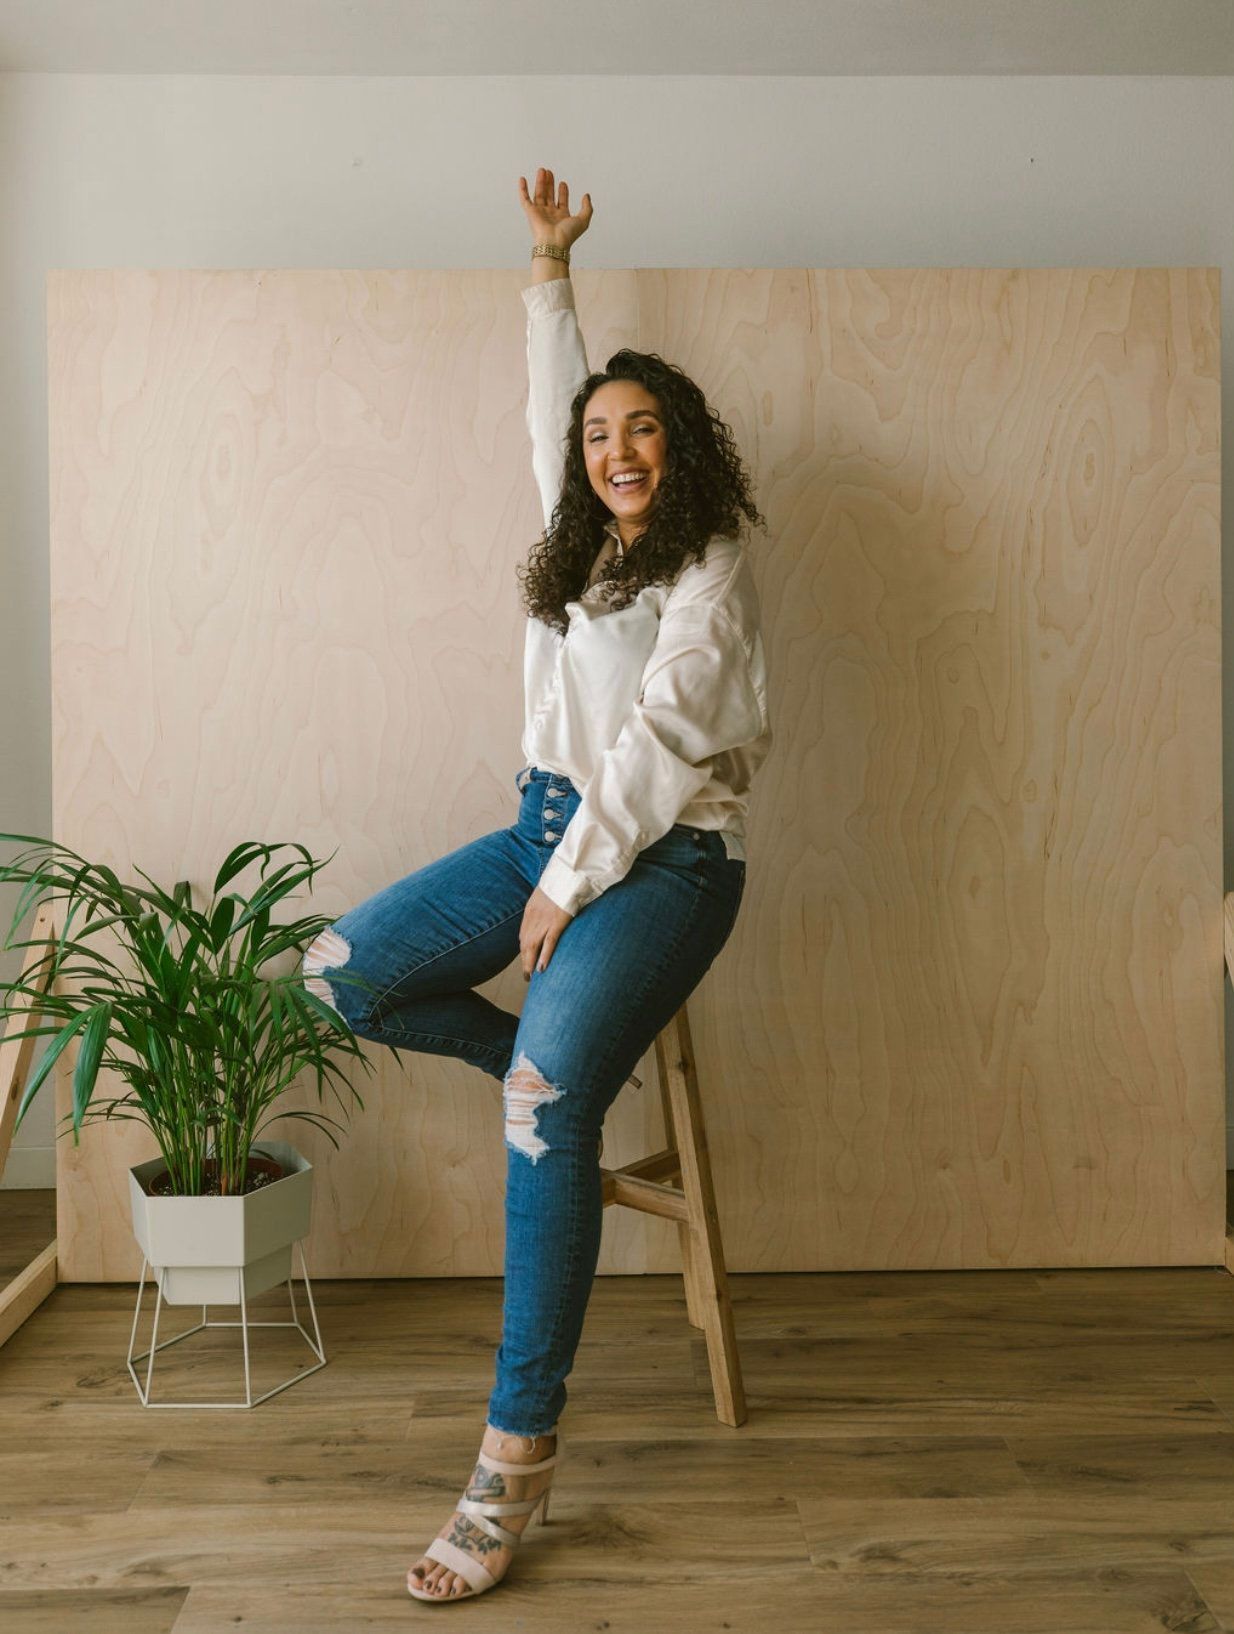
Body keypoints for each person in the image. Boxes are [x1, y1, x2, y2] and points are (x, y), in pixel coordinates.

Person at [300, 167, 773, 1603]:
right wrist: (547, 268)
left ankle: (510, 1461)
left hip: (668, 854)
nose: (615, 449)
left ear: (679, 445)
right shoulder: (577, 543)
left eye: (641, 430)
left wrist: (570, 886)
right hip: (541, 825)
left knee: (546, 1104)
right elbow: (543, 410)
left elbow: (668, 734)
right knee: (342, 971)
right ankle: (551, 1089)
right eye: (598, 434)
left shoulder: (712, 560)